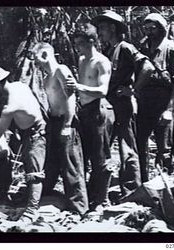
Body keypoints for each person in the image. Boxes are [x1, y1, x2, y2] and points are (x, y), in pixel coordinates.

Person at [0, 66, 46, 224]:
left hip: (36, 135)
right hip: (34, 130)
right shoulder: (19, 85)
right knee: (32, 170)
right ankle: (31, 201)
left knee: (34, 174)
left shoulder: (10, 106)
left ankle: (32, 210)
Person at [92, 10, 154, 194]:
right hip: (108, 105)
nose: (100, 32)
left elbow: (148, 67)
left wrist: (133, 90)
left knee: (127, 148)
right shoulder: (107, 51)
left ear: (113, 28)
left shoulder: (125, 47)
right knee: (103, 147)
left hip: (122, 105)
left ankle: (132, 191)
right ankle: (99, 190)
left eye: (102, 28)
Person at [32, 42, 89, 216]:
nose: (37, 64)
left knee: (71, 163)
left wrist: (67, 124)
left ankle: (80, 207)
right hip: (54, 122)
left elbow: (70, 98)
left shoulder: (61, 70)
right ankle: (49, 196)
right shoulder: (48, 76)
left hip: (66, 121)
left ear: (44, 55)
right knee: (54, 161)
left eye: (37, 59)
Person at [66, 23, 112, 209]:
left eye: (81, 43)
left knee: (100, 157)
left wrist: (78, 87)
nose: (77, 47)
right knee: (84, 154)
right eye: (76, 43)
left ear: (92, 41)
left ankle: (103, 200)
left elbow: (103, 90)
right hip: (83, 111)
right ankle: (89, 197)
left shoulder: (101, 61)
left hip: (98, 111)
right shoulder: (82, 59)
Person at [138, 13, 174, 180]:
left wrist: (169, 110)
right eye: (147, 29)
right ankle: (144, 182)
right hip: (144, 102)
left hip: (164, 102)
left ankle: (167, 185)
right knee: (140, 142)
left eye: (153, 28)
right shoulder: (142, 47)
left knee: (164, 146)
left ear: (162, 28)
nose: (150, 32)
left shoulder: (170, 48)